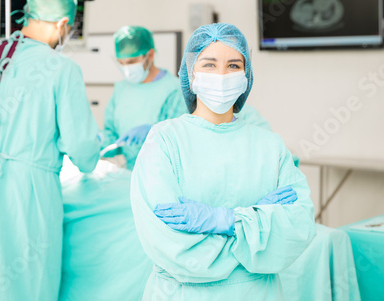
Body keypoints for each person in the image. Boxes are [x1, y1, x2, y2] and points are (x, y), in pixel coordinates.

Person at [130, 23, 316, 299]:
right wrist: (256, 225)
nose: (222, 75)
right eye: (209, 65)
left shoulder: (270, 146)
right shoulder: (165, 141)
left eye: (233, 65)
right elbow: (171, 247)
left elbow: (298, 229)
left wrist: (226, 220)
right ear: (190, 74)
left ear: (246, 76)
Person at [0, 0, 100, 300]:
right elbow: (84, 153)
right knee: (24, 283)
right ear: (62, 24)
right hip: (27, 191)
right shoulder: (61, 68)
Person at [100, 26, 187, 169]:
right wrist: (101, 141)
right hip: (126, 172)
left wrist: (153, 130)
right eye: (121, 63)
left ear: (150, 55)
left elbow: (178, 138)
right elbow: (112, 132)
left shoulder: (174, 89)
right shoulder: (121, 88)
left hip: (160, 172)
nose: (126, 68)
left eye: (132, 62)